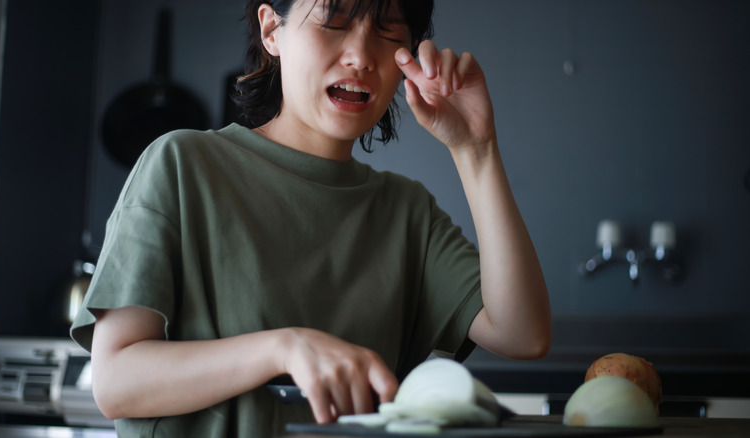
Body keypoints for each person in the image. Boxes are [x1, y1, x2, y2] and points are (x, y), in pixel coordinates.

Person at [70, 0, 551, 436]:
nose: (362, 56)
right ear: (271, 30)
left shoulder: (406, 212)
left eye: (388, 32)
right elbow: (116, 383)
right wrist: (284, 349)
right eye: (334, 20)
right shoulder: (181, 165)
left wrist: (476, 149)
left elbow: (522, 333)